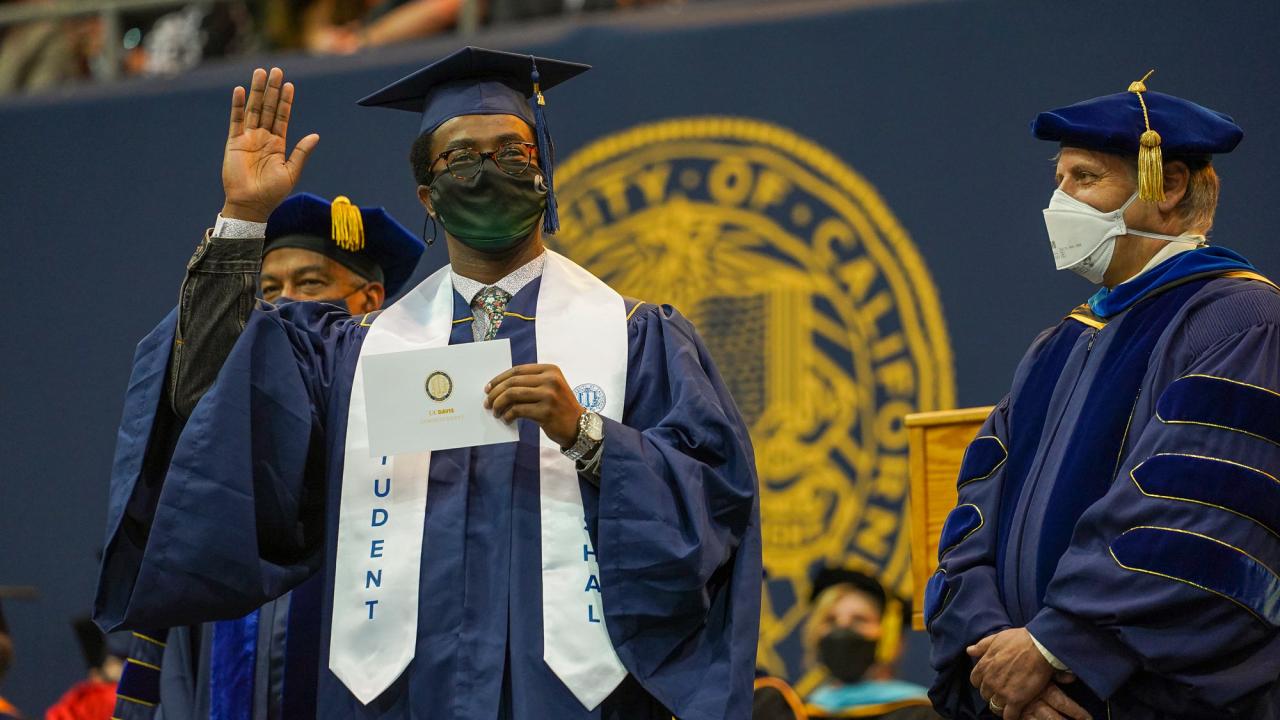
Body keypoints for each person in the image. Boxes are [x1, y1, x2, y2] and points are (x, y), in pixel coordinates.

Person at [94, 46, 762, 719]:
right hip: (396, 697)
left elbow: (715, 508)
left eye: (513, 153)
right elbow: (216, 404)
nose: (488, 171)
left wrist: (588, 436)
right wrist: (242, 217)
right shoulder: (353, 353)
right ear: (428, 197)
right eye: (460, 159)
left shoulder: (635, 338)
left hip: (574, 697)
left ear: (544, 174)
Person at [925, 72, 1280, 720]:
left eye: (1085, 179)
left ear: (1167, 185)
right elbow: (972, 519)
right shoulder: (1056, 344)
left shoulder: (1241, 321)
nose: (1061, 201)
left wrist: (1053, 647)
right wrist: (994, 660)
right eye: (1058, 180)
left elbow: (1199, 518)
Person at [109, 193, 424, 719]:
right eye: (269, 289)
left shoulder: (412, 417)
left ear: (369, 299)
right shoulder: (222, 432)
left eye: (310, 283)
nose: (283, 303)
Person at [802, 571, 935, 720]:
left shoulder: (923, 714)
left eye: (859, 620)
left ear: (890, 638)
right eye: (830, 620)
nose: (842, 627)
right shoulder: (803, 714)